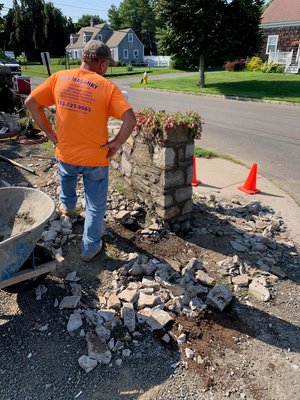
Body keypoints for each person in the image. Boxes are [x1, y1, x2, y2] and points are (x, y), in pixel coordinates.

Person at [25, 40, 136, 262]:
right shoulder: (107, 87)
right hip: (95, 158)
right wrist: (116, 143)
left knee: (66, 181)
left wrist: (49, 133)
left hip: (65, 153)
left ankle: (70, 212)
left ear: (82, 57)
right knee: (95, 205)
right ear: (102, 64)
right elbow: (130, 120)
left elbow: (31, 103)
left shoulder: (59, 77)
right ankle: (89, 248)